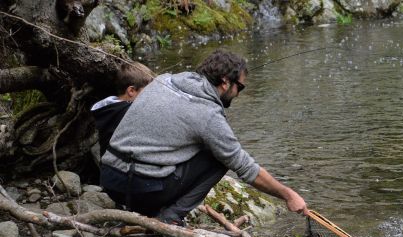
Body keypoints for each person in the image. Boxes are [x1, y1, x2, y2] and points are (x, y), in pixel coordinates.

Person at [100, 49, 308, 225]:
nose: (239, 94)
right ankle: (169, 219)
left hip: (109, 178)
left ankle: (148, 207)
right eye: (240, 87)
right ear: (225, 82)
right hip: (139, 189)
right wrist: (288, 195)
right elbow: (245, 167)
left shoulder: (163, 80)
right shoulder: (208, 115)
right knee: (219, 158)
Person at [90, 61, 154, 157]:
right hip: (123, 168)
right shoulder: (128, 112)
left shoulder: (109, 108)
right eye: (149, 91)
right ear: (131, 91)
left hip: (108, 164)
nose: (152, 95)